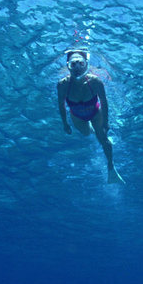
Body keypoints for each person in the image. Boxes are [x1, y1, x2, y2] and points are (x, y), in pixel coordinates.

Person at [57, 50, 124, 184]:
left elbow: (104, 102)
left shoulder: (95, 82)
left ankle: (111, 168)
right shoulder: (63, 84)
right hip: (77, 116)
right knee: (87, 133)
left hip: (95, 113)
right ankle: (95, 130)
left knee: (103, 140)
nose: (77, 68)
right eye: (73, 64)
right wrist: (65, 123)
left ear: (86, 65)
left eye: (80, 63)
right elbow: (61, 104)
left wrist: (105, 122)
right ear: (68, 66)